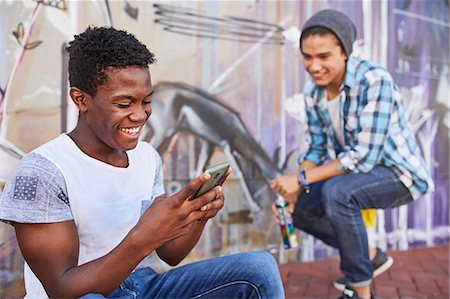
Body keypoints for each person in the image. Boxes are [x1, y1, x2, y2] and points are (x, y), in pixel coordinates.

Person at [0, 26, 284, 298]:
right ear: (81, 99)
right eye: (124, 104)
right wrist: (143, 238)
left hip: (139, 286)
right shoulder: (44, 173)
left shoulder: (146, 157)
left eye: (146, 101)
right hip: (85, 296)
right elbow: (62, 290)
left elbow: (170, 253)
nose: (140, 115)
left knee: (258, 269)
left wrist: (198, 214)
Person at [271, 9, 434, 299]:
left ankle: (360, 291)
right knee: (302, 209)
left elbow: (363, 156)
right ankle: (370, 255)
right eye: (307, 57)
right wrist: (295, 191)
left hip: (399, 175)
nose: (314, 66)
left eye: (324, 56)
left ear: (344, 52)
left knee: (337, 192)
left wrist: (302, 178)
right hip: (357, 175)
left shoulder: (374, 81)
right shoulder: (313, 93)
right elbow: (316, 148)